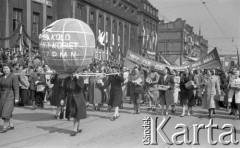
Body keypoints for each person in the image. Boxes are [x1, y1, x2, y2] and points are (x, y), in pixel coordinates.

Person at [0, 63, 19, 133]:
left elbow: (16, 88)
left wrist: (16, 98)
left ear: (10, 69)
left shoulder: (13, 76)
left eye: (7, 68)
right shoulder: (1, 77)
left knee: (6, 111)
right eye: (4, 68)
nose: (5, 70)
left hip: (10, 95)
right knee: (4, 110)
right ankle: (11, 125)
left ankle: (5, 127)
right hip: (2, 96)